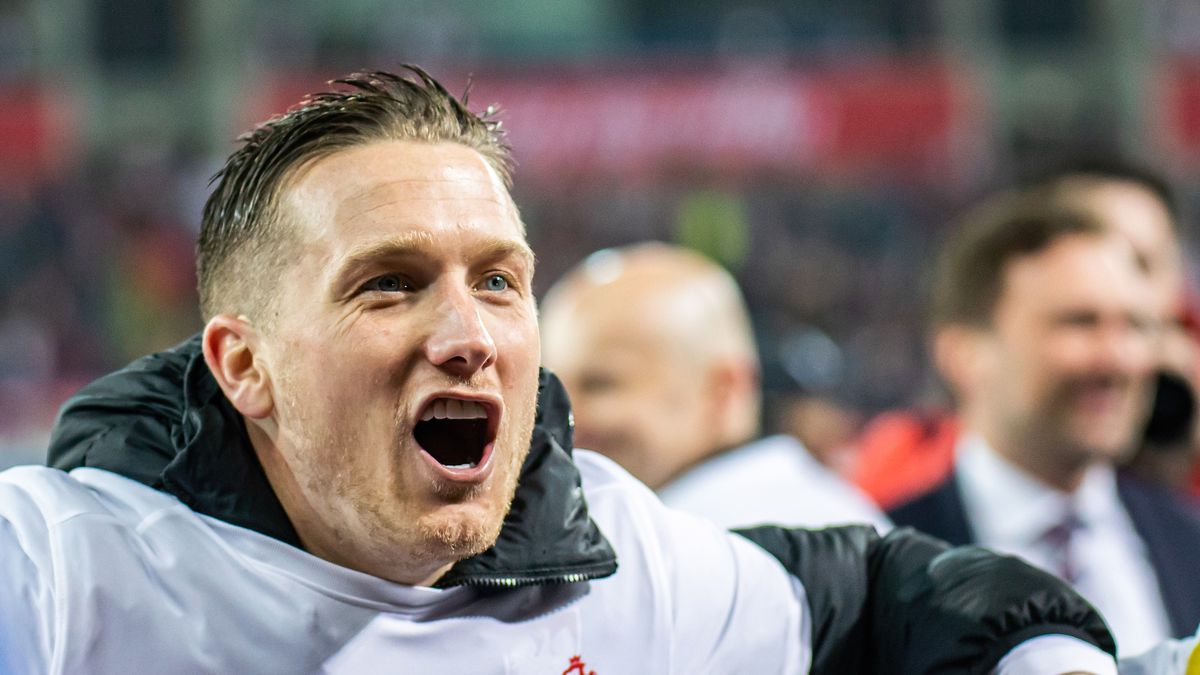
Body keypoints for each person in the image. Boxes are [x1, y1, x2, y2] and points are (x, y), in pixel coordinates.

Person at [1, 68, 1116, 673]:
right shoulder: (60, 575)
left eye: (498, 279)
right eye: (388, 283)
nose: (468, 333)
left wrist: (1051, 658)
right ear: (245, 366)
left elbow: (878, 600)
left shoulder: (620, 564)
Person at [888, 193, 1200, 657]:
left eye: (1136, 326)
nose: (1119, 358)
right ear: (964, 352)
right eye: (1079, 323)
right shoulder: (885, 569)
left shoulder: (1188, 540)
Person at [540, 242, 889, 530]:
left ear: (722, 391)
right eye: (547, 386)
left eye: (600, 384)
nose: (561, 414)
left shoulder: (770, 543)